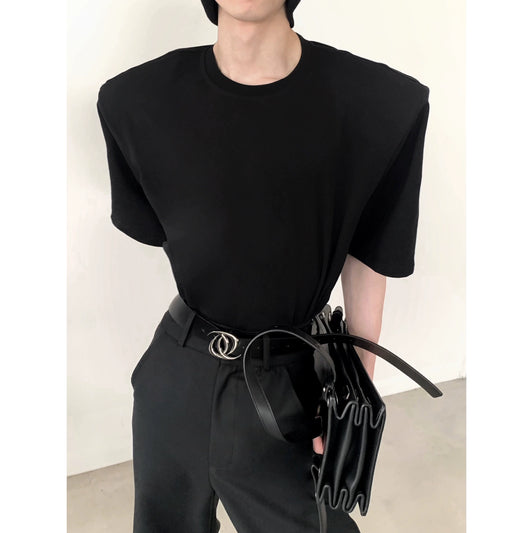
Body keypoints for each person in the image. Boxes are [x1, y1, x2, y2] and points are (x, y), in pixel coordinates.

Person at [96, 1, 431, 532]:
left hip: (291, 384)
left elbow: (368, 254)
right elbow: (181, 231)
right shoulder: (135, 100)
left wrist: (355, 396)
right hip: (177, 372)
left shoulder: (377, 103)